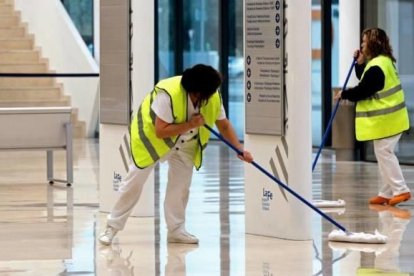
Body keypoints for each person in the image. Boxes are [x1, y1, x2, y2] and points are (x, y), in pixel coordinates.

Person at [99, 64, 253, 245]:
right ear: (195, 92)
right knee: (134, 183)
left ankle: (176, 230)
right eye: (205, 95)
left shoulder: (212, 95)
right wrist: (191, 124)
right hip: (153, 141)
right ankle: (111, 228)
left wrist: (239, 149)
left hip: (186, 143)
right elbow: (161, 131)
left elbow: (224, 125)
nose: (210, 97)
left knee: (180, 188)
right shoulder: (168, 93)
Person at [335, 28, 411, 206]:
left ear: (373, 43)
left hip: (389, 119)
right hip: (392, 119)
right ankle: (386, 193)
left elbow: (364, 90)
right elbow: (366, 80)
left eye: (364, 42)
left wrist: (344, 94)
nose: (361, 45)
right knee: (384, 153)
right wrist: (360, 63)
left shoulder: (378, 66)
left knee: (384, 153)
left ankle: (401, 190)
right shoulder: (381, 62)